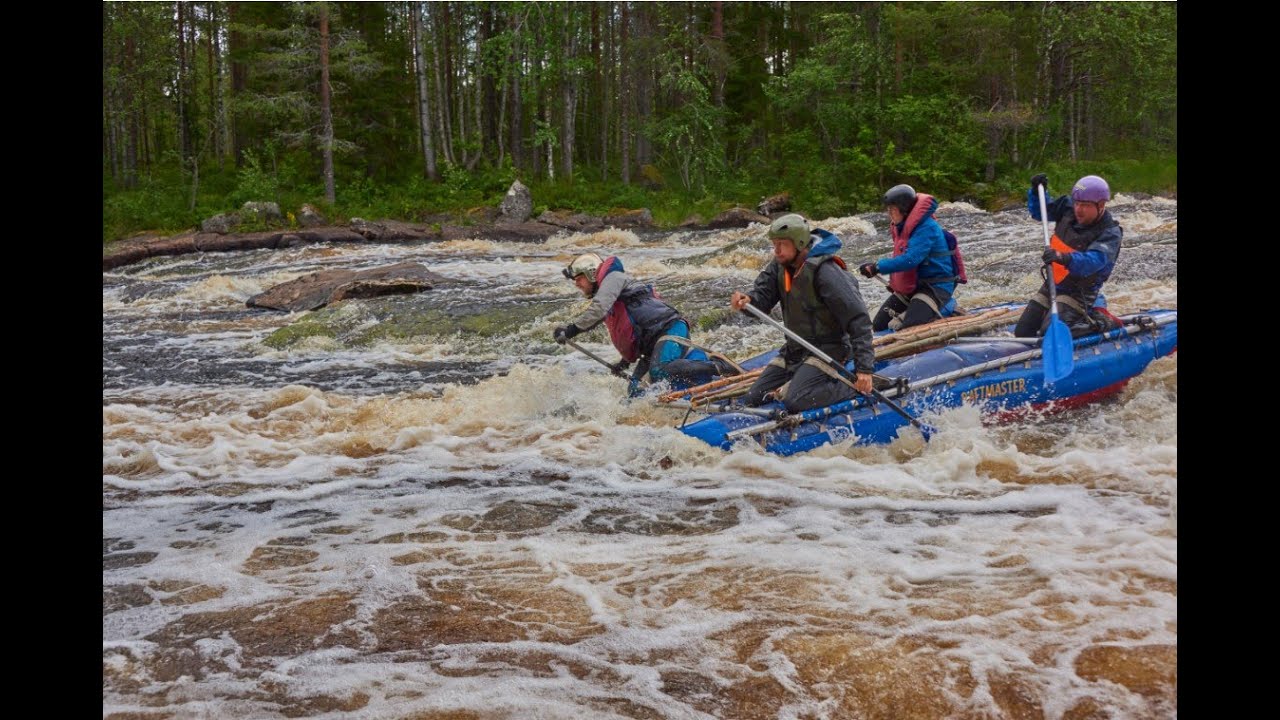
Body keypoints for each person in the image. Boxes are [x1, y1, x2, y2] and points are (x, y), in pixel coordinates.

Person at [729, 214, 876, 413]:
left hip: (829, 350)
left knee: (795, 401)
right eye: (774, 244)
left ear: (799, 243)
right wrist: (749, 301)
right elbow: (762, 298)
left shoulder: (826, 273)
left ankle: (851, 388)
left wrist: (864, 369)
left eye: (782, 244)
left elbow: (858, 319)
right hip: (796, 350)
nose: (776, 250)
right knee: (753, 397)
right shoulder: (779, 266)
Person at [553, 253, 730, 395]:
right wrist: (624, 362)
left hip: (670, 330)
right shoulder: (610, 295)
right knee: (635, 390)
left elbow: (598, 309)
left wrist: (570, 330)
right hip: (652, 344)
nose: (576, 284)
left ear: (591, 272)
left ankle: (719, 367)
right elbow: (629, 331)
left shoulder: (613, 278)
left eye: (578, 278)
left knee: (659, 370)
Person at [1015, 173, 1123, 338]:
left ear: (1101, 205)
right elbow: (1039, 212)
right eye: (1077, 203)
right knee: (1023, 331)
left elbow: (1093, 262)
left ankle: (1101, 323)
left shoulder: (1110, 233)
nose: (1078, 210)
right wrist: (1037, 193)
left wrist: (1063, 257)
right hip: (1053, 284)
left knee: (1050, 331)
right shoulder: (1067, 208)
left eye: (1085, 205)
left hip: (1079, 292)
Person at [858, 184, 966, 331]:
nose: (889, 213)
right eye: (887, 209)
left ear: (904, 210)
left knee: (909, 327)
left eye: (892, 209)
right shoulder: (901, 226)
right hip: (914, 286)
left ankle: (948, 307)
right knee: (878, 325)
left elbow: (911, 260)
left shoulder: (927, 228)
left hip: (936, 287)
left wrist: (877, 267)